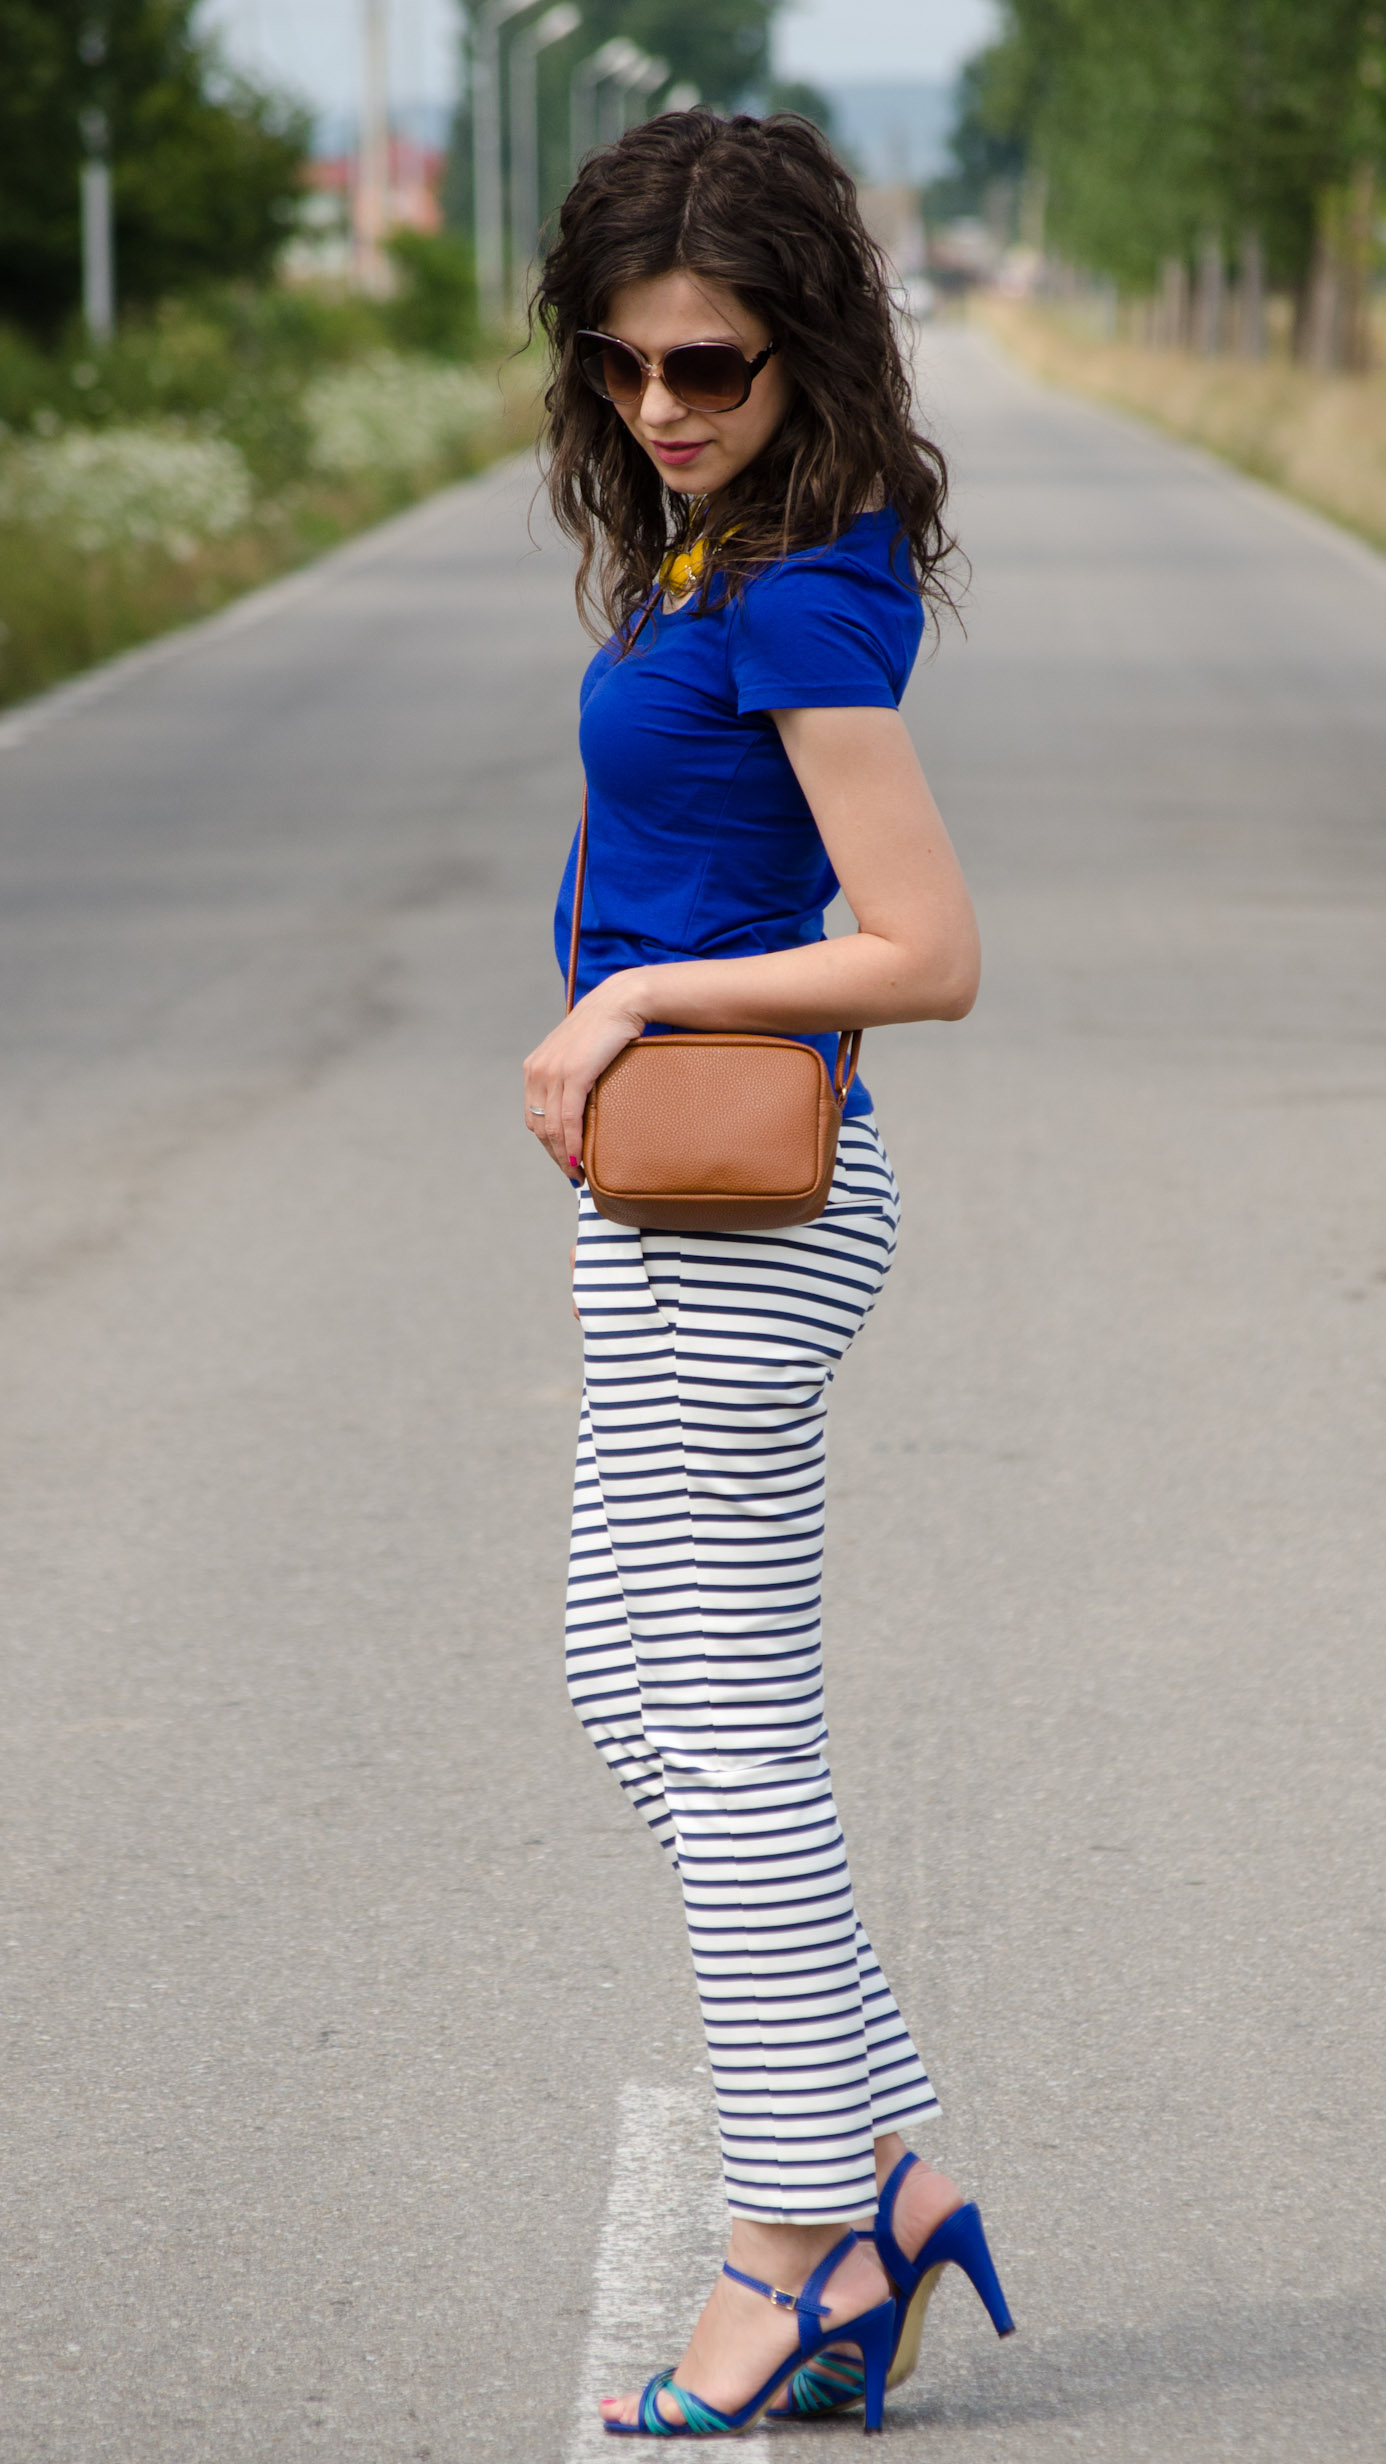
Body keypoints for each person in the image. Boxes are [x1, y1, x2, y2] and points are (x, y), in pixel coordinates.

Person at [523, 110, 1011, 2438]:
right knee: (641, 1683)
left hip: (744, 1213)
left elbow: (924, 949)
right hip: (672, 1212)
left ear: (803, 336)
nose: (659, 405)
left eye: (705, 359)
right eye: (618, 365)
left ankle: (796, 2230)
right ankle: (885, 2170)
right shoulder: (733, 555)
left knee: (722, 1732)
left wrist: (634, 999)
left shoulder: (804, 592)